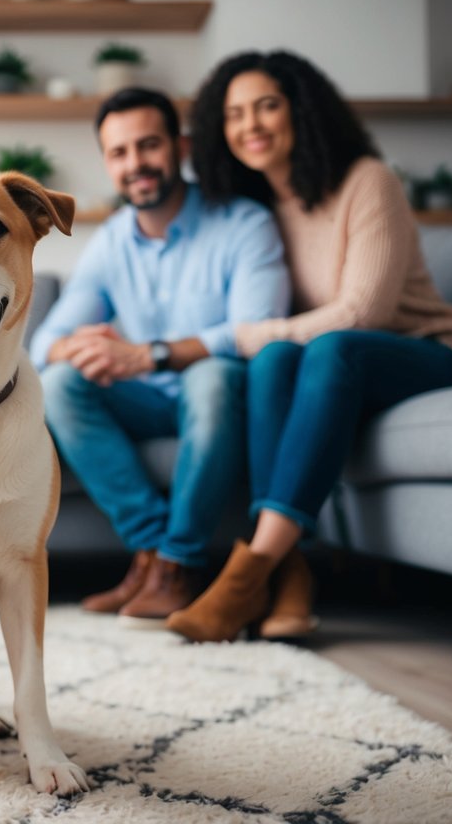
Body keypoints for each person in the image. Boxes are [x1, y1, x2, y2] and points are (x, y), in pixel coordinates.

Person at [167, 51, 452, 642]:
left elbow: (366, 314)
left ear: (301, 112)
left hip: (427, 352)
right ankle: (288, 575)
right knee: (278, 356)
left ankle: (245, 578)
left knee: (331, 347)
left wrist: (235, 337)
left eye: (267, 106)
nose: (251, 125)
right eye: (234, 114)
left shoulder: (368, 181)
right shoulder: (256, 211)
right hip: (329, 366)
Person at [32, 88, 291, 625]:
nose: (136, 165)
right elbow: (43, 342)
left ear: (181, 146)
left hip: (224, 399)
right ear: (107, 163)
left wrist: (145, 355)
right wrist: (80, 348)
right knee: (59, 382)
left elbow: (257, 330)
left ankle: (182, 560)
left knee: (212, 377)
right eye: (119, 153)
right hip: (148, 401)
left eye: (148, 146)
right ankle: (153, 556)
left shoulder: (244, 223)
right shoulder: (111, 242)